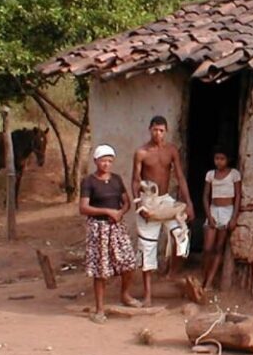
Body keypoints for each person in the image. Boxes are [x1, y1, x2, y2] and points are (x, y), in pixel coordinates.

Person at [132, 115, 195, 305]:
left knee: (181, 235)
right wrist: (138, 205)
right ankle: (148, 295)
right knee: (147, 247)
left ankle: (172, 273)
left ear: (166, 131)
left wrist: (189, 203)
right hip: (148, 200)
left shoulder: (171, 151)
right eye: (154, 130)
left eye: (161, 130)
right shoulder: (141, 152)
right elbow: (135, 180)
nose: (158, 134)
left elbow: (181, 177)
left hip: (166, 199)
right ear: (149, 129)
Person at [80, 144, 140, 323]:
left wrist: (120, 213)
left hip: (116, 226)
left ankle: (125, 295)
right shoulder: (89, 181)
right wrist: (107, 211)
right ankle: (99, 309)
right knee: (101, 269)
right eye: (103, 161)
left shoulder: (116, 179)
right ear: (95, 161)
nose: (106, 164)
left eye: (109, 161)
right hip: (98, 229)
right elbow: (83, 207)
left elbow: (126, 202)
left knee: (128, 262)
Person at [201, 147, 241, 290]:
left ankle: (209, 282)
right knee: (207, 248)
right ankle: (204, 277)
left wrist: (234, 217)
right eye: (216, 158)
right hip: (213, 210)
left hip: (227, 212)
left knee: (218, 248)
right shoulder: (210, 174)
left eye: (222, 159)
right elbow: (205, 196)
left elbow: (237, 197)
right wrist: (209, 215)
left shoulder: (234, 174)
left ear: (228, 159)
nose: (218, 162)